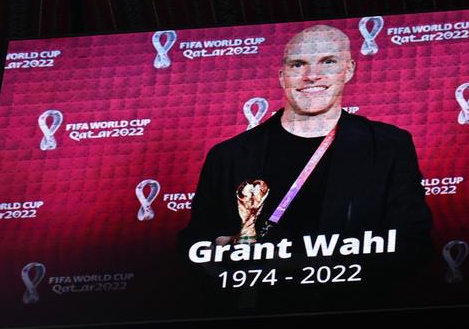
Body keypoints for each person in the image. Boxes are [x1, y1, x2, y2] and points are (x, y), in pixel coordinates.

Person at [179, 25, 433, 284]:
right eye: (298, 65)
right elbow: (195, 244)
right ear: (282, 76)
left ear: (349, 69)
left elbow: (412, 242)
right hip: (256, 308)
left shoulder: (388, 146)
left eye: (328, 62)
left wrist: (319, 265)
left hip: (354, 305)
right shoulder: (229, 155)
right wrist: (220, 249)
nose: (312, 76)